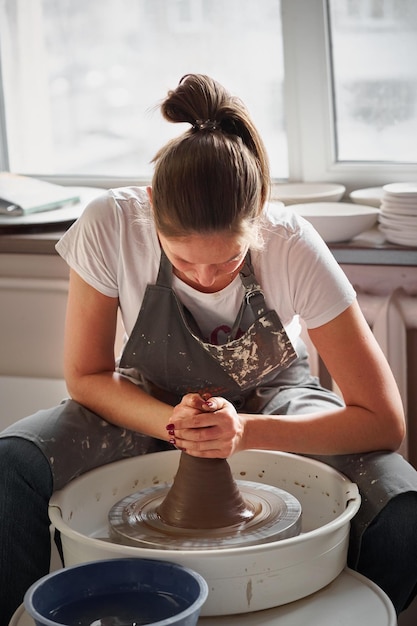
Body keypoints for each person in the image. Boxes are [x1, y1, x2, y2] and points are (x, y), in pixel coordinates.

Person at [1, 73, 417, 624]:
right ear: (150, 208)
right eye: (181, 260)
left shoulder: (292, 242)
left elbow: (384, 421)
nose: (203, 277)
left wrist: (246, 432)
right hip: (147, 399)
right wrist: (174, 424)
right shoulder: (111, 223)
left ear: (260, 214)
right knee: (11, 467)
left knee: (404, 508)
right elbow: (87, 375)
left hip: (271, 397)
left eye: (226, 261)